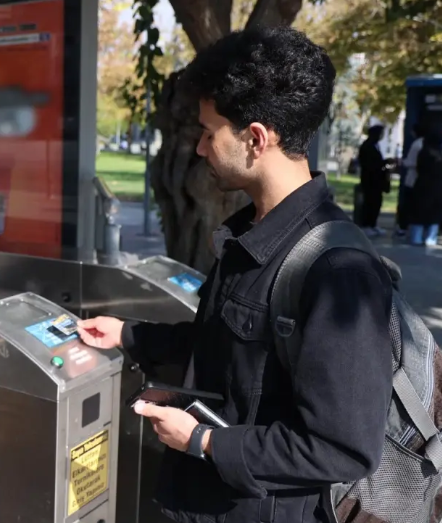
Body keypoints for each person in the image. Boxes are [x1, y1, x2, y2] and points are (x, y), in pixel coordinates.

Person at [76, 26, 393, 523]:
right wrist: (128, 335)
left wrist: (204, 441)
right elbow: (227, 349)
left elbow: (342, 448)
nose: (201, 149)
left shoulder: (338, 272)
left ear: (256, 139)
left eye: (209, 133)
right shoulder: (251, 231)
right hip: (197, 500)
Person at [410, 128, 442, 246]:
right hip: (440, 185)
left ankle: (416, 237)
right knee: (436, 212)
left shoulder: (424, 152)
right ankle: (431, 238)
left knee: (419, 210)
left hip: (423, 184)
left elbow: (419, 168)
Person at [357, 125, 393, 236]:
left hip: (377, 180)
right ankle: (367, 225)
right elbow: (369, 164)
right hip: (370, 180)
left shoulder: (375, 145)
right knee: (370, 202)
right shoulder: (367, 146)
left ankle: (373, 224)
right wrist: (383, 163)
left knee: (376, 202)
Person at [396, 122, 424, 236]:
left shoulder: (417, 144)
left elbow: (410, 162)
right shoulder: (426, 143)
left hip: (412, 179)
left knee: (407, 205)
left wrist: (401, 162)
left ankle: (403, 227)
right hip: (423, 181)